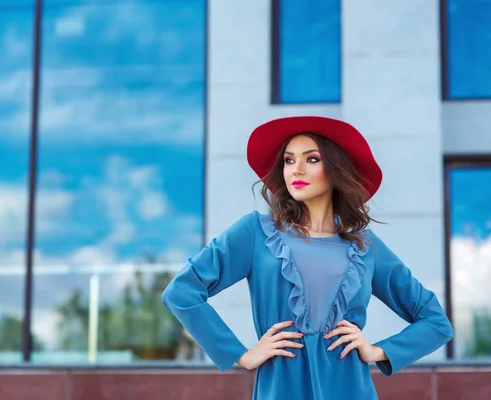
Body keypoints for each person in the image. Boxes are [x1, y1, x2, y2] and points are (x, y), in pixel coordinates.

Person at [161, 116, 453, 399]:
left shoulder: (366, 247)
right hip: (281, 386)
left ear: (336, 169)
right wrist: (240, 354)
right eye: (289, 160)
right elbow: (182, 292)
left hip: (349, 387)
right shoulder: (256, 232)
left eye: (311, 159)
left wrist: (378, 350)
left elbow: (435, 322)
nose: (296, 170)